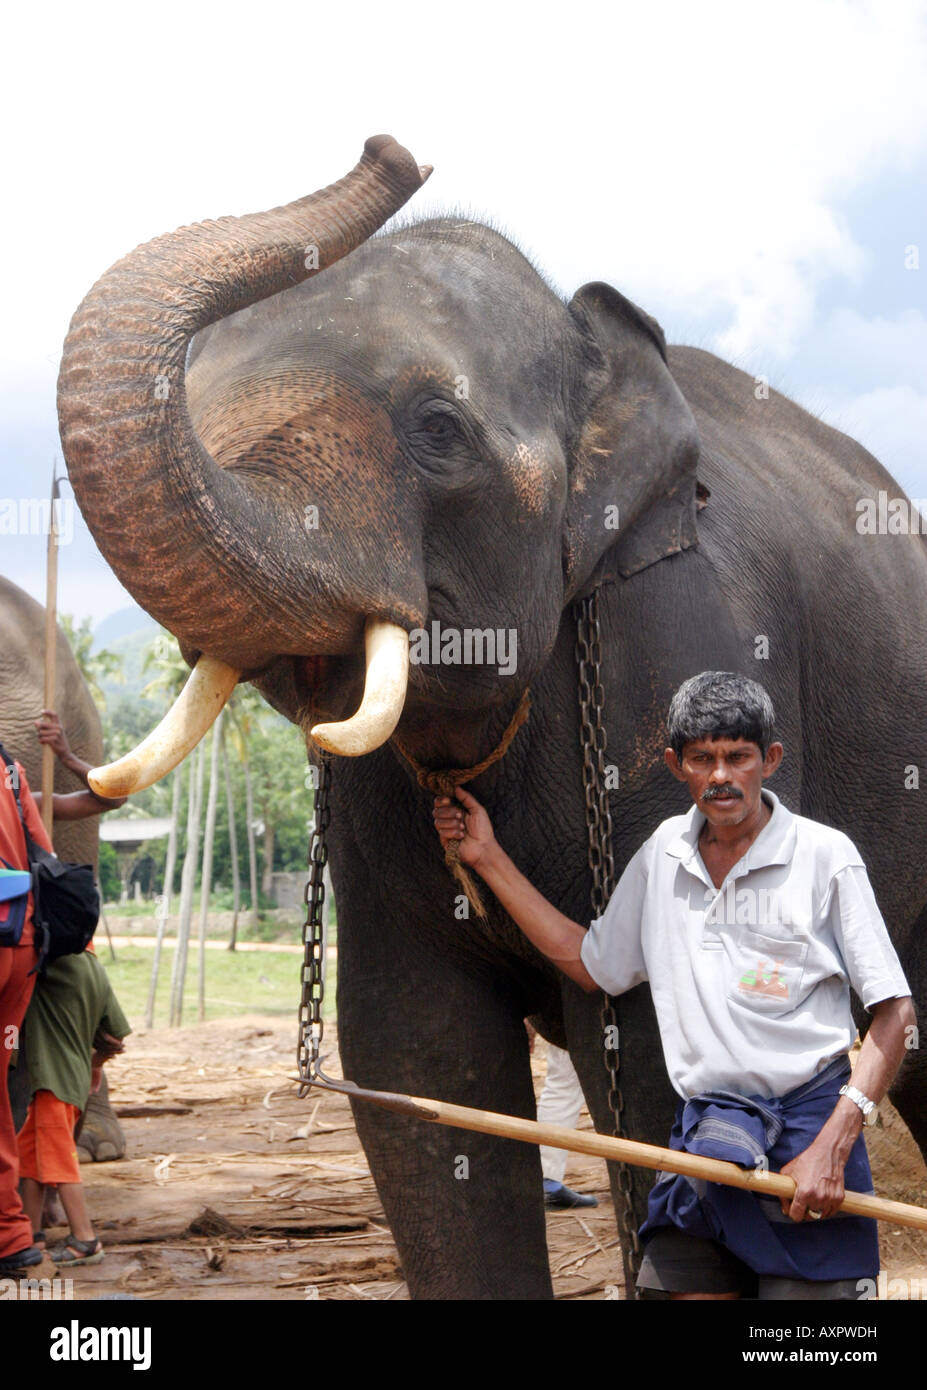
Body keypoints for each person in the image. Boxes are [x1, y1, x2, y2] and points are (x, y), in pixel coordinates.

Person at [432, 671, 915, 1300]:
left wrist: (836, 1140)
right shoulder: (664, 855)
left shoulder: (825, 858)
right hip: (706, 1146)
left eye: (738, 756)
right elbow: (589, 961)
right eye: (702, 758)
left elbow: (895, 1012)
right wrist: (487, 856)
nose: (721, 775)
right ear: (674, 765)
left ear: (768, 760)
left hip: (807, 1142)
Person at [0, 710, 123, 1275]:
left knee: (42, 1134)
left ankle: (74, 1233)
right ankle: (21, 1233)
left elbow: (108, 796)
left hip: (21, 951)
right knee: (22, 1126)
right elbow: (113, 1035)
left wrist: (70, 755)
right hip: (23, 952)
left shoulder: (23, 789)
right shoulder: (13, 778)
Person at [17, 950, 130, 1265]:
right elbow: (115, 1036)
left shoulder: (41, 966)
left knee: (57, 1161)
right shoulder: (93, 965)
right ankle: (30, 1235)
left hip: (52, 1083)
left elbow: (11, 1019)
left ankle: (85, 1239)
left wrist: (7, 1052)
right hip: (68, 1082)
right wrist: (95, 1065)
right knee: (30, 1157)